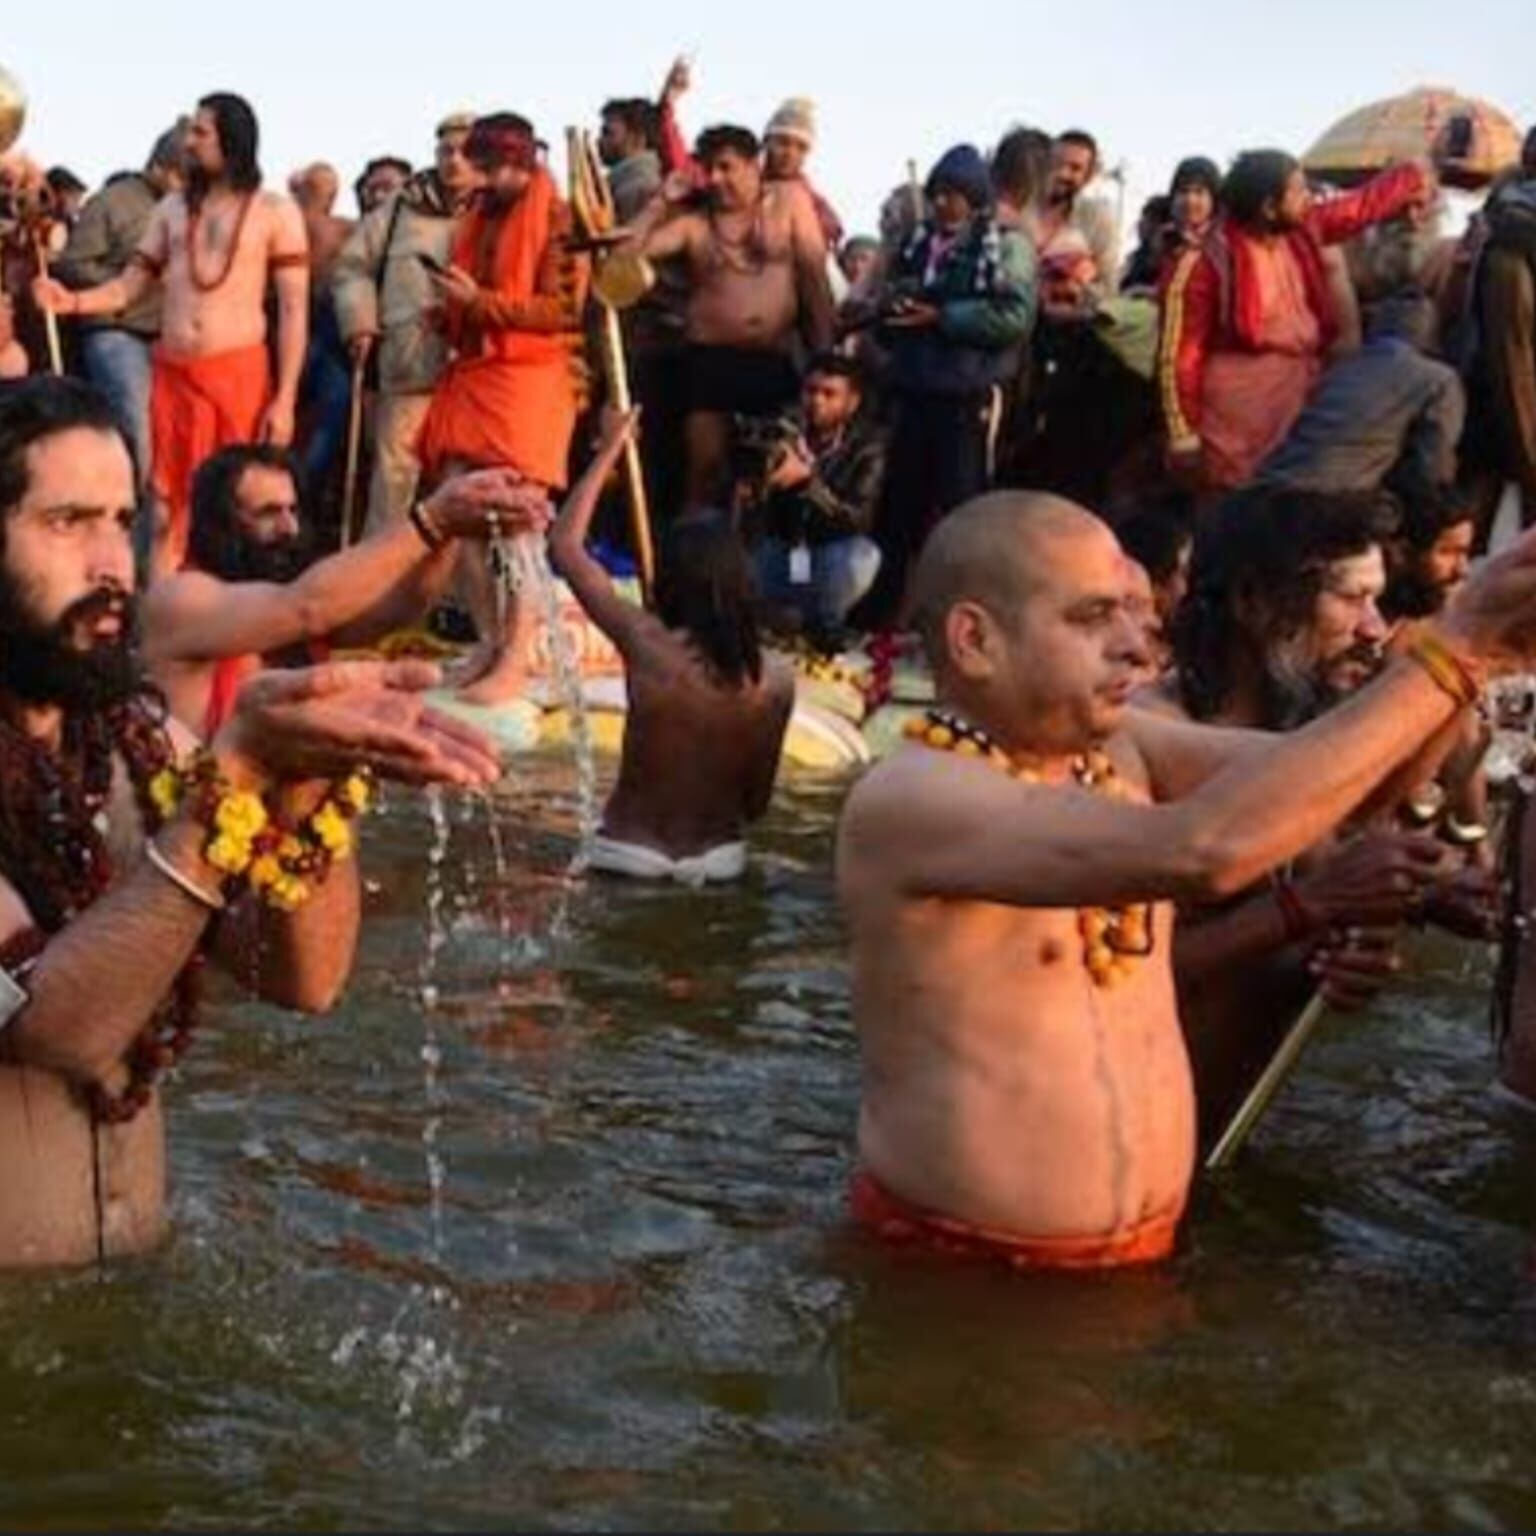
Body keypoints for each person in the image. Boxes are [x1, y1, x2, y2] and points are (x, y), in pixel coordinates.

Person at [835, 487, 1536, 1270]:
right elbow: (1206, 850)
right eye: (1093, 617)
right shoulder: (914, 799)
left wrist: (1489, 654)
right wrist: (1456, 645)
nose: (1139, 645)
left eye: (1136, 614)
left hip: (1143, 1262)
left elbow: (1349, 792)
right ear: (974, 641)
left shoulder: (1125, 748)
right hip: (964, 1278)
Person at [0, 376, 500, 1269]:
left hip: (123, 1322)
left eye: (121, 521)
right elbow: (55, 1028)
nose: (111, 562)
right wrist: (237, 773)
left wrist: (307, 784)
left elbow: (302, 980)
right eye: (67, 522)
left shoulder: (132, 740)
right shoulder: (180, 760)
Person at [1157, 487, 1483, 1142]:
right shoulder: (1146, 741)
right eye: (1351, 598)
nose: (1373, 629)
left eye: (1378, 600)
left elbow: (1320, 884)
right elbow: (1104, 976)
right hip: (1123, 1156)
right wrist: (1310, 907)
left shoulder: (1300, 736)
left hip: (1222, 1148)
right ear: (1253, 602)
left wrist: (1402, 905)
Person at [33, 92, 310, 575]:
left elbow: (293, 309)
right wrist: (71, 301)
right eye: (191, 131)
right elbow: (128, 287)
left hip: (238, 377)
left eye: (201, 132)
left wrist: (284, 398)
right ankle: (153, 627)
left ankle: (230, 628)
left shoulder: (275, 211)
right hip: (173, 378)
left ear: (233, 141)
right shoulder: (171, 210)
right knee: (162, 510)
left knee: (235, 508)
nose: (189, 141)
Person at [142, 442, 549, 738]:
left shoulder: (288, 599)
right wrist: (433, 521)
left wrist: (453, 535)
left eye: (292, 510)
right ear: (221, 524)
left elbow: (396, 612)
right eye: (268, 513)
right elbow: (307, 608)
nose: (289, 529)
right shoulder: (181, 601)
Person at [550, 410, 794, 883]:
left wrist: (609, 453)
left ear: (669, 584)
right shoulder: (776, 680)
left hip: (630, 852)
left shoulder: (647, 643)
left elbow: (565, 545)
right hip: (720, 862)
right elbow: (756, 805)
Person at [417, 112, 587, 706]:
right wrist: (449, 313)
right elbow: (481, 301)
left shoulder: (561, 219)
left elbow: (560, 311)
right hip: (476, 375)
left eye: (489, 168)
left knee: (514, 521)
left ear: (521, 164)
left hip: (530, 383)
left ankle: (515, 658)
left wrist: (480, 302)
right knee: (457, 508)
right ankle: (488, 644)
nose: (478, 179)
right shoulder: (478, 215)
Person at [1158, 150, 1433, 495]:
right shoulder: (1202, 263)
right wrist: (1183, 435)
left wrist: (1413, 174)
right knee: (1230, 512)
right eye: (1299, 191)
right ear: (1269, 208)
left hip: (1298, 401)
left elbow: (1358, 207)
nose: (1309, 199)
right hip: (1234, 420)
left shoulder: (1304, 229)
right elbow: (1180, 356)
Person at [855, 145, 1035, 627]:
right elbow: (897, 295)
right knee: (897, 513)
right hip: (914, 391)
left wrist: (944, 315)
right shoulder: (918, 240)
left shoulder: (1004, 244)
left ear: (974, 198)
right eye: (937, 194)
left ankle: (961, 624)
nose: (942, 204)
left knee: (961, 517)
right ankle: (876, 620)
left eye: (953, 195)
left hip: (966, 398)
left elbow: (1013, 316)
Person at [628, 124, 835, 510]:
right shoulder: (694, 223)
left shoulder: (790, 202)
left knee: (771, 475)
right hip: (709, 365)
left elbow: (814, 282)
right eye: (709, 170)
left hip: (772, 360)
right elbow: (626, 255)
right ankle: (697, 561)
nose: (716, 179)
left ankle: (761, 563)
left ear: (754, 165)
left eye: (726, 167)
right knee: (704, 471)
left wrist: (824, 358)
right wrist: (661, 201)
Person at [333, 112, 479, 536]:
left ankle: (456, 593)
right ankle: (376, 587)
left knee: (464, 481)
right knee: (394, 482)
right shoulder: (400, 207)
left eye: (465, 152)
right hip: (408, 365)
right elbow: (352, 268)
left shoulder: (496, 209)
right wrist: (359, 321)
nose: (455, 161)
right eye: (446, 151)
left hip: (473, 370)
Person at [53, 123, 185, 535]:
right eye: (183, 175)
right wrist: (130, 280)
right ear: (163, 168)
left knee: (168, 449)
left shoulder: (183, 210)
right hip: (115, 330)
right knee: (136, 438)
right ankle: (115, 530)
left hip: (166, 339)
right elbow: (72, 264)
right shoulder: (109, 202)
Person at [1254, 294, 1465, 499]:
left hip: (1263, 493)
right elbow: (1433, 471)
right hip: (1327, 503)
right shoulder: (1438, 380)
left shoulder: (1341, 368)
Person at [754, 353, 886, 642]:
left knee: (862, 555)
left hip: (828, 554)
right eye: (811, 391)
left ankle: (825, 625)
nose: (817, 401)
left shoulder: (868, 446)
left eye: (829, 394)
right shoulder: (783, 429)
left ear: (852, 402)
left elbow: (855, 519)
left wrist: (807, 482)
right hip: (784, 549)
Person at [288, 162, 355, 503]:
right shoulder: (280, 220)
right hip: (281, 328)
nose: (321, 194)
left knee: (336, 400)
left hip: (328, 333)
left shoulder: (346, 229)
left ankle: (303, 488)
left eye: (328, 188)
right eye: (314, 186)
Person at [1028, 131, 1120, 304]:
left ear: (1088, 176)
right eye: (1056, 164)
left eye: (1075, 168)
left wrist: (1071, 290)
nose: (1063, 173)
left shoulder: (1097, 220)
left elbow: (1109, 288)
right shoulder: (1021, 209)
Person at [761, 97, 843, 249]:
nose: (790, 153)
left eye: (801, 148)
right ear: (766, 143)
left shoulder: (811, 198)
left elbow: (832, 231)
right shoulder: (743, 185)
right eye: (783, 143)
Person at [596, 97, 663, 223]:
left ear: (638, 138)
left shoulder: (640, 189)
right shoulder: (620, 185)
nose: (599, 141)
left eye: (608, 133)